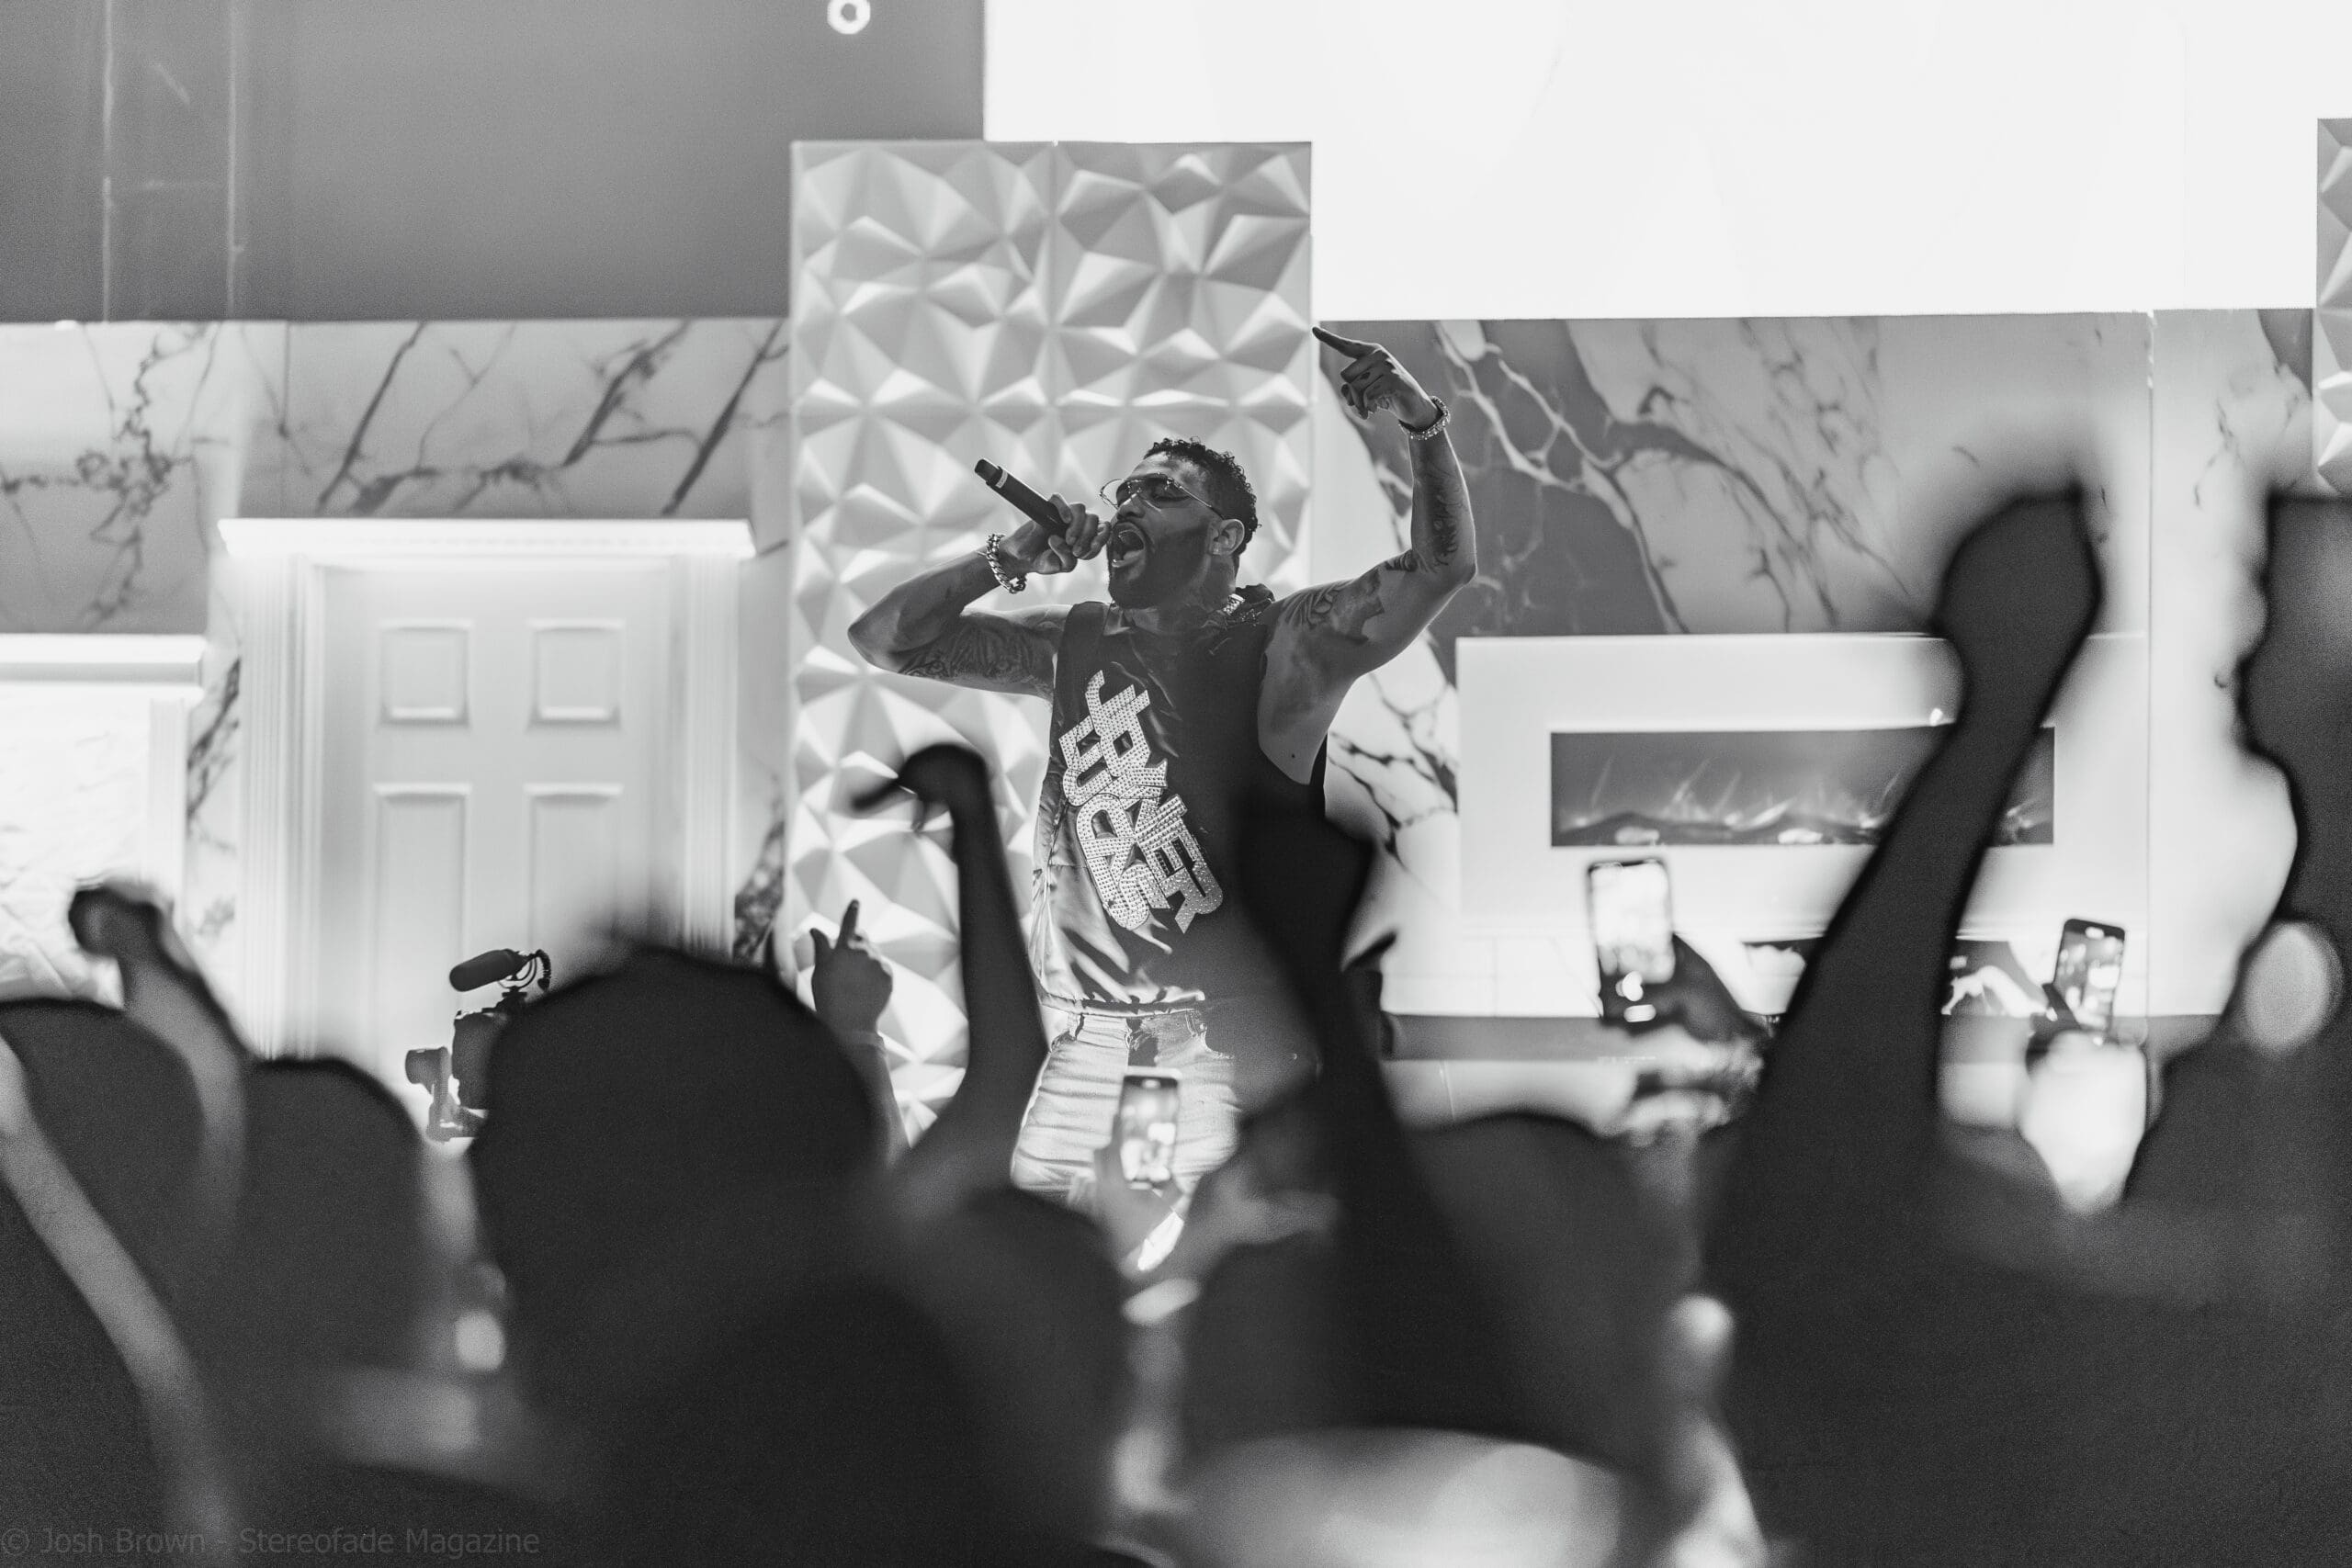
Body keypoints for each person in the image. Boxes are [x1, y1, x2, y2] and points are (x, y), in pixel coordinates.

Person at [847, 326, 1476, 1219]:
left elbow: (1440, 568)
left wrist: (1422, 422)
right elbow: (883, 641)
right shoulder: (1071, 642)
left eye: (1160, 491)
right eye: (1125, 492)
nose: (1126, 507)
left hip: (1226, 1044)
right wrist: (1005, 560)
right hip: (1080, 1045)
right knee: (1034, 1270)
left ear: (1225, 535)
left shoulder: (1286, 644)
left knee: (1226, 1262)